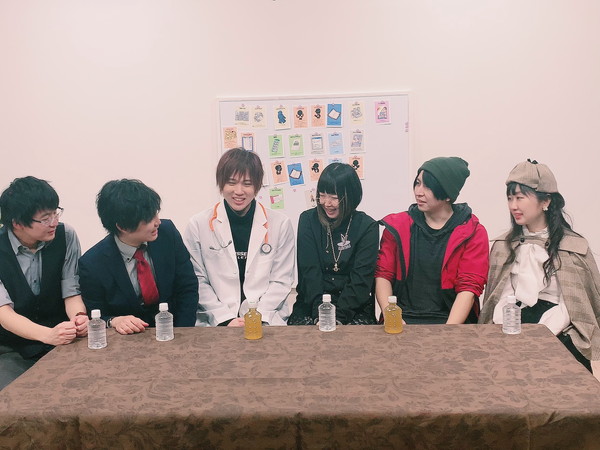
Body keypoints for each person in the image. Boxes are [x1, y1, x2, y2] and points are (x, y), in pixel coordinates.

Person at [479, 159, 600, 378]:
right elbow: (501, 296)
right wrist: (508, 324)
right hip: (513, 321)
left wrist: (542, 332)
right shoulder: (504, 246)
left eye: (520, 198)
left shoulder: (573, 246)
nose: (513, 206)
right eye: (509, 198)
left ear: (546, 201)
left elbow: (574, 304)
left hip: (559, 326)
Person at [184, 148, 295, 327]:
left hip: (265, 317)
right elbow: (197, 280)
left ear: (257, 186)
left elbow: (281, 280)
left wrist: (256, 316)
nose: (239, 191)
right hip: (217, 320)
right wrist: (225, 318)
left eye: (247, 184)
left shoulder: (280, 224)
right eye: (231, 182)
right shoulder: (198, 224)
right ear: (221, 183)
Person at [375, 156, 489, 324]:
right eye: (417, 183)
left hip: (452, 321)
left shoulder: (473, 232)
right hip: (402, 319)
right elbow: (383, 275)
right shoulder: (398, 227)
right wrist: (393, 318)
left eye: (427, 186)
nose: (418, 192)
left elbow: (469, 287)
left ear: (448, 195)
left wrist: (447, 332)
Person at [0, 176, 88, 390]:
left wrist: (79, 318)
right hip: (11, 346)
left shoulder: (66, 235)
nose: (54, 222)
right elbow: (4, 313)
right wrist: (48, 335)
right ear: (17, 223)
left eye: (55, 213)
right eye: (45, 218)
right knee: (17, 396)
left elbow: (71, 292)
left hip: (61, 336)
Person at [79, 179, 198, 334]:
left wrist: (183, 331)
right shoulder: (92, 264)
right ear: (122, 226)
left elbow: (187, 286)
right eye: (149, 219)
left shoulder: (167, 233)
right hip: (127, 338)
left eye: (156, 213)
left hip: (174, 330)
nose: (157, 222)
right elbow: (96, 315)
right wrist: (114, 321)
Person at [288, 163, 379, 325]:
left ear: (351, 196)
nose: (326, 203)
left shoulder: (367, 226)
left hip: (354, 306)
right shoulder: (308, 220)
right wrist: (322, 314)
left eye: (334, 197)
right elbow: (309, 273)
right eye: (322, 195)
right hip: (312, 303)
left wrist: (338, 317)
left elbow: (361, 280)